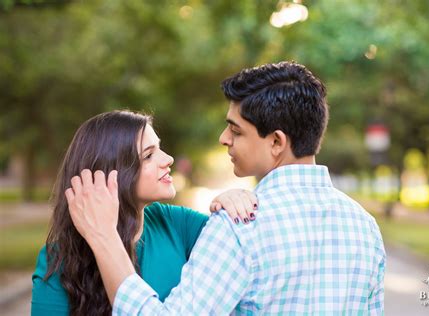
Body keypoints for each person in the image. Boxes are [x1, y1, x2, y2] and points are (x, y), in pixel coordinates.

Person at [67, 62, 386, 315]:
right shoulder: (363, 227)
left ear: (276, 142)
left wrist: (105, 238)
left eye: (236, 130)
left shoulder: (241, 228)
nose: (224, 138)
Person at [31, 110, 257, 315]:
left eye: (159, 148)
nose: (167, 160)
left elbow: (238, 250)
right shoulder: (59, 257)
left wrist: (228, 201)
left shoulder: (176, 223)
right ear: (111, 173)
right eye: (149, 155)